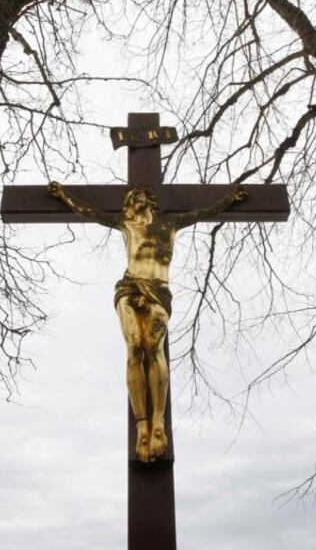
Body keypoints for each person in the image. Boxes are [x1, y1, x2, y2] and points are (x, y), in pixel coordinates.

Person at [48, 182, 248, 462]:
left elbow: (205, 211)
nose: (135, 197)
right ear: (128, 205)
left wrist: (229, 199)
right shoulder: (125, 224)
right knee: (134, 348)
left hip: (158, 290)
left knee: (153, 349)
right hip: (129, 288)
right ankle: (141, 423)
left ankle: (158, 423)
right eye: (131, 197)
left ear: (148, 200)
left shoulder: (171, 223)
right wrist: (64, 196)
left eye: (138, 194)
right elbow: (90, 212)